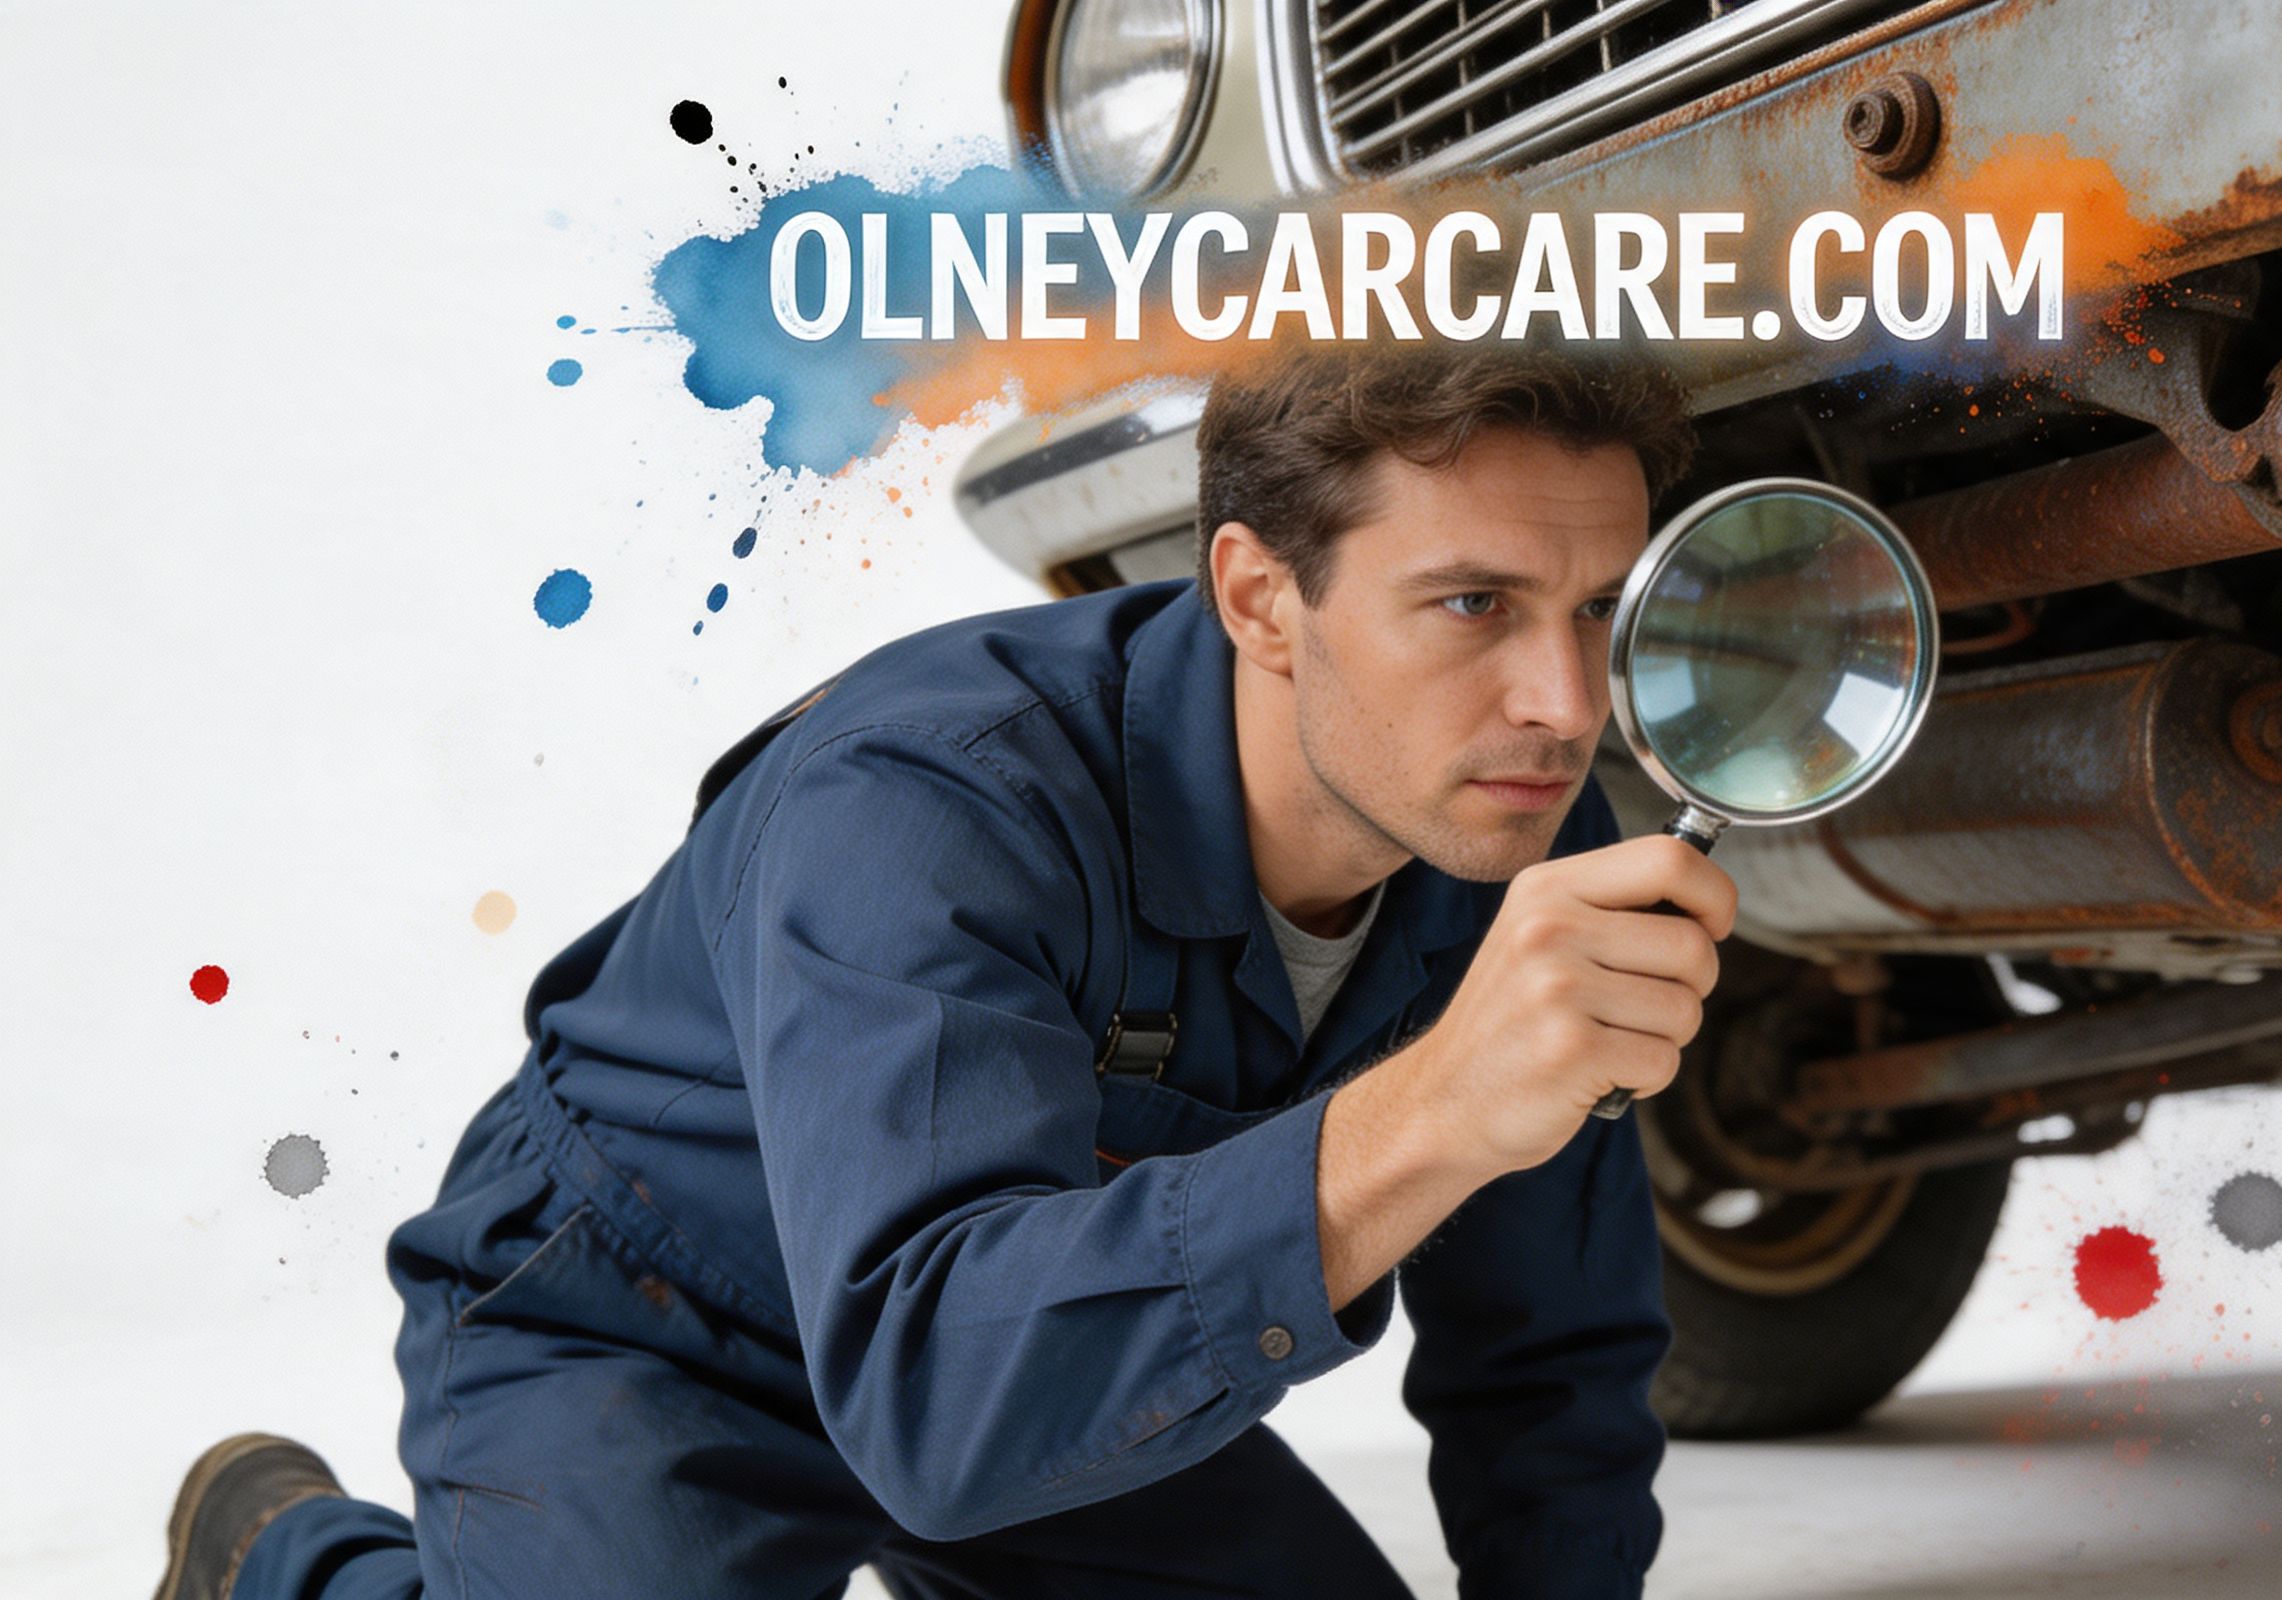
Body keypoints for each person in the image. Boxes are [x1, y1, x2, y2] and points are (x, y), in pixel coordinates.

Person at [157, 339, 1730, 1600]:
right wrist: (1438, 1109)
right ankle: (286, 1553)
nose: (1563, 698)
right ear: (1260, 595)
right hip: (647, 1320)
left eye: (1598, 607)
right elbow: (930, 1392)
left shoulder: (1503, 814)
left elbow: (1554, 1341)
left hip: (1045, 1364)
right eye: (1474, 604)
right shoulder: (924, 796)